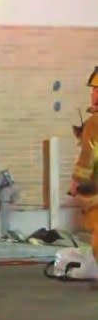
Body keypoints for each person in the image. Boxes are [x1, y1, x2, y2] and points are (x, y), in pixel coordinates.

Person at [70, 66, 98, 267]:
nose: (93, 94)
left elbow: (88, 155)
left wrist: (76, 183)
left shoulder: (95, 122)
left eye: (96, 90)